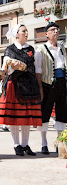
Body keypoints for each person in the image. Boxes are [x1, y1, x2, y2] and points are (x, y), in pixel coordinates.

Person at [0, 24, 42, 156]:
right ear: (16, 34)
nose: (26, 33)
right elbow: (5, 67)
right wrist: (12, 66)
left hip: (29, 85)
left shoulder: (32, 49)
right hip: (15, 85)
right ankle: (16, 145)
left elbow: (37, 68)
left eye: (27, 31)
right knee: (14, 117)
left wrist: (39, 86)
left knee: (27, 116)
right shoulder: (10, 49)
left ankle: (25, 144)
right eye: (23, 31)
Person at [36, 21, 67, 154]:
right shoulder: (41, 49)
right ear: (47, 34)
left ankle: (60, 143)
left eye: (57, 30)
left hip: (62, 83)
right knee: (45, 113)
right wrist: (40, 89)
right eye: (53, 30)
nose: (56, 32)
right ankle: (44, 143)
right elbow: (38, 70)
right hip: (47, 84)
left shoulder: (62, 48)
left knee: (62, 113)